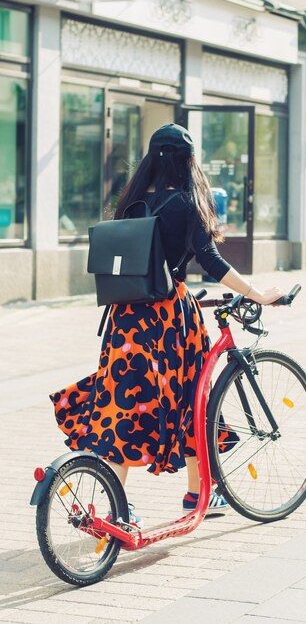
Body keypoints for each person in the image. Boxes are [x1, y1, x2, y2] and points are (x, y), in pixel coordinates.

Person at [50, 123, 284, 526]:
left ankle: (116, 504)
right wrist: (257, 292)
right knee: (193, 398)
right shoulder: (187, 203)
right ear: (190, 161)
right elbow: (210, 260)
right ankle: (199, 494)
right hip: (169, 320)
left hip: (124, 320)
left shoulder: (132, 201)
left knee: (123, 402)